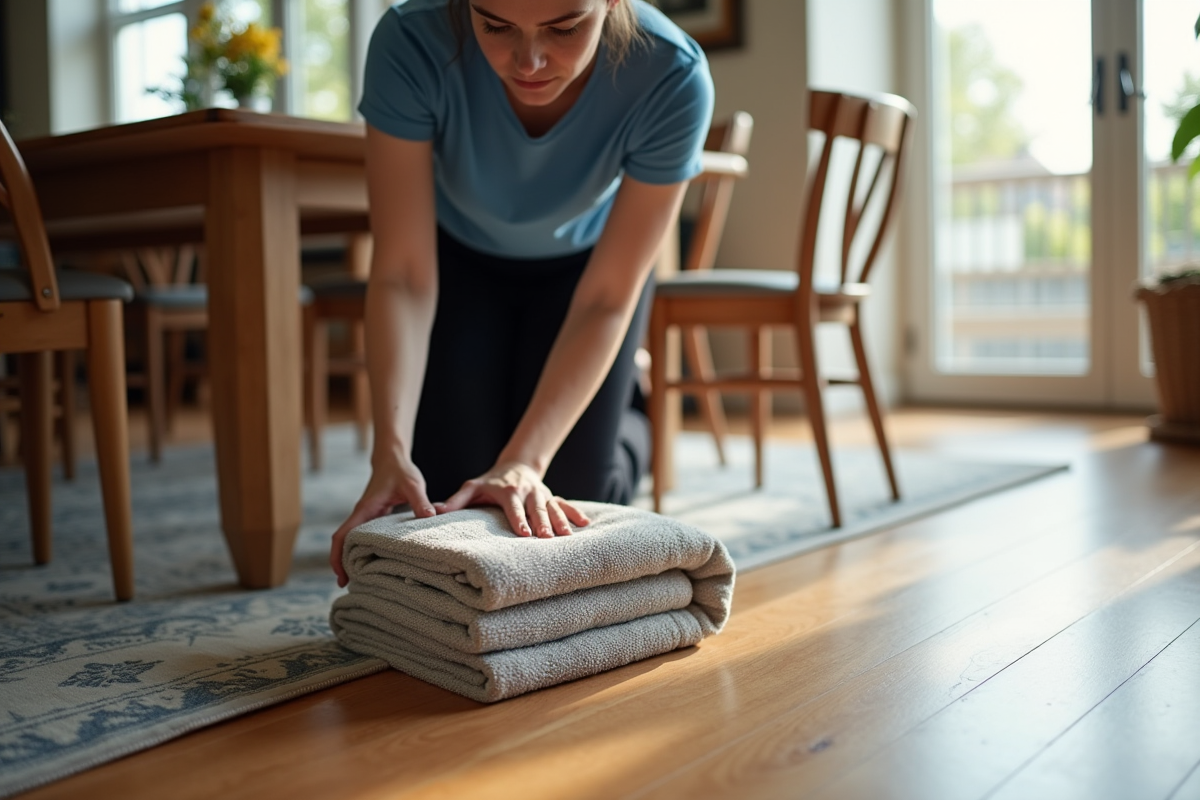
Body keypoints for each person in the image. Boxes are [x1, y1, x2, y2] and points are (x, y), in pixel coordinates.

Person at [329, 0, 714, 586]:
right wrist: (390, 448)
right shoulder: (409, 39)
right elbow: (403, 272)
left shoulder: (671, 73)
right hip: (459, 260)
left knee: (568, 495)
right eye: (495, 25)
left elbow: (608, 296)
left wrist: (526, 461)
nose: (528, 60)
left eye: (564, 28)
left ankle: (631, 408)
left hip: (587, 274)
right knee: (448, 492)